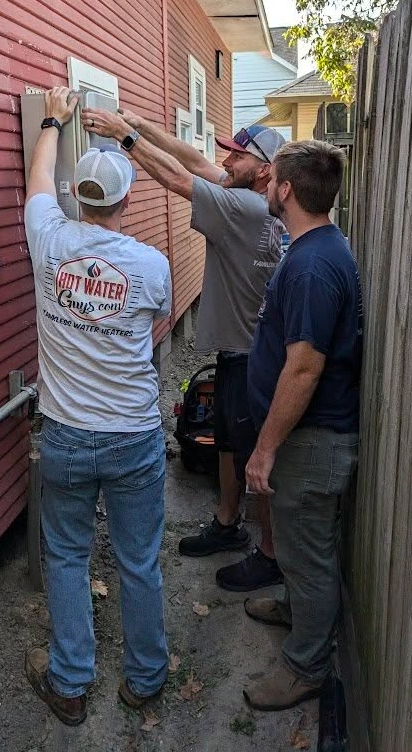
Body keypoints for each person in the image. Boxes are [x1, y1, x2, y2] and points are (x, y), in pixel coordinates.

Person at [81, 105, 285, 592]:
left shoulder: (243, 209)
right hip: (241, 349)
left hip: (251, 355)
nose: (225, 160)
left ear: (264, 171)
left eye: (237, 156)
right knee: (228, 442)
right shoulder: (251, 197)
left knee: (254, 454)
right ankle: (227, 523)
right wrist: (141, 125)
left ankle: (271, 554)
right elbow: (194, 161)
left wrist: (124, 137)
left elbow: (178, 178)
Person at [23, 88, 172, 726]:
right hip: (133, 434)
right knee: (138, 560)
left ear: (78, 197)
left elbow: (36, 183)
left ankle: (70, 681)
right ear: (125, 200)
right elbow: (156, 324)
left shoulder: (48, 239)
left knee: (66, 554)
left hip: (65, 434)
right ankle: (145, 679)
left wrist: (53, 119)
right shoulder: (152, 265)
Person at [242, 140, 363, 712]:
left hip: (311, 442)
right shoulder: (314, 249)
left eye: (271, 180)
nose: (266, 187)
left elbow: (305, 367)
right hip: (306, 437)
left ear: (286, 189)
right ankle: (296, 611)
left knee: (310, 557)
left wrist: (264, 449)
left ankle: (306, 667)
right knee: (295, 546)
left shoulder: (313, 266)